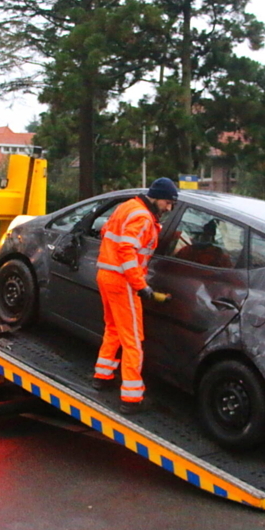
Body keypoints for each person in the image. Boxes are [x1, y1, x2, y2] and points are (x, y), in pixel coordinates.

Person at [92, 177, 177, 415]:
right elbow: (127, 250)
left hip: (106, 275)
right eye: (168, 202)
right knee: (134, 339)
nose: (168, 208)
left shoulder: (128, 206)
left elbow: (107, 232)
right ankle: (131, 397)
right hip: (123, 282)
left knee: (113, 328)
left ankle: (103, 375)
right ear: (157, 197)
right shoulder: (142, 217)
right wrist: (141, 286)